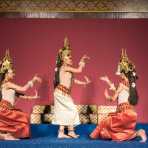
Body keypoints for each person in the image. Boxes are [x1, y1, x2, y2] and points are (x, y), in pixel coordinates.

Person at [90, 49, 147, 142]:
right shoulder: (129, 84)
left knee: (106, 122)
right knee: (113, 133)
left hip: (124, 113)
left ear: (123, 72)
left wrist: (107, 96)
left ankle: (92, 137)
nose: (119, 73)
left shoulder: (122, 84)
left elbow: (113, 98)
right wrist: (108, 82)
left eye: (120, 71)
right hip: (128, 112)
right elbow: (119, 93)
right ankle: (139, 132)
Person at [52, 37, 90, 138]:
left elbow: (73, 81)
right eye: (68, 57)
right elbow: (79, 70)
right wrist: (82, 61)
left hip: (62, 93)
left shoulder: (67, 70)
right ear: (63, 59)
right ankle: (70, 131)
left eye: (70, 57)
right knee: (72, 109)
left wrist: (83, 83)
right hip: (61, 93)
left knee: (64, 111)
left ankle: (62, 132)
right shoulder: (64, 67)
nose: (70, 58)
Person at [0, 50, 41, 140]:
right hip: (4, 109)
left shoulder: (9, 85)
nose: (14, 74)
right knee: (23, 117)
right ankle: (7, 135)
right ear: (6, 73)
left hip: (8, 108)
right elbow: (23, 88)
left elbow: (20, 95)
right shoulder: (7, 84)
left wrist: (33, 97)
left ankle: (6, 134)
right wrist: (33, 80)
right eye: (12, 72)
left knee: (23, 116)